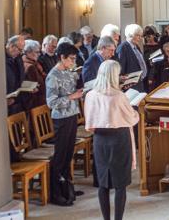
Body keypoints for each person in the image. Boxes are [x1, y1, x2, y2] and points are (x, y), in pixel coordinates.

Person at [84, 60, 139, 220]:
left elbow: (90, 122)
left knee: (103, 183)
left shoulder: (91, 95)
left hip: (100, 140)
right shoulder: (119, 96)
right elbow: (131, 119)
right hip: (119, 139)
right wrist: (136, 112)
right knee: (120, 184)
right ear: (114, 75)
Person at [46, 42, 84, 206]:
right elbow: (51, 102)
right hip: (61, 118)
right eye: (71, 59)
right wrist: (72, 97)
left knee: (69, 153)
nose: (73, 62)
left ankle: (67, 187)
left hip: (72, 114)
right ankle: (55, 193)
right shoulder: (52, 76)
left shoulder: (69, 71)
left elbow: (74, 90)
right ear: (62, 57)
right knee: (60, 155)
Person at [117, 24, 148, 92]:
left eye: (141, 36)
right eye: (137, 35)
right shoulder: (123, 48)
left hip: (140, 83)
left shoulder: (136, 47)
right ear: (130, 35)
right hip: (130, 87)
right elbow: (120, 68)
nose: (140, 38)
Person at [22, 40, 47, 110]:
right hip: (35, 104)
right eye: (37, 52)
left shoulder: (35, 63)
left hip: (39, 101)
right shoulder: (30, 66)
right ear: (28, 52)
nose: (39, 54)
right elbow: (36, 86)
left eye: (39, 52)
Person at [6, 35, 26, 115]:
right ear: (11, 46)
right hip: (6, 102)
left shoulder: (18, 57)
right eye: (20, 49)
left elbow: (20, 75)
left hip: (17, 100)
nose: (20, 53)